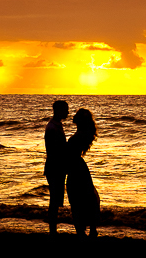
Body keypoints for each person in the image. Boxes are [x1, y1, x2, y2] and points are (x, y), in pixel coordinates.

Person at [66, 107, 100, 237]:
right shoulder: (84, 134)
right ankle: (91, 228)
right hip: (79, 166)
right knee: (86, 197)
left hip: (75, 168)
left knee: (76, 199)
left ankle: (81, 230)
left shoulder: (80, 135)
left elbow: (69, 151)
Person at [43, 99, 69, 234]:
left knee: (56, 199)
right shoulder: (53, 128)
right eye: (66, 110)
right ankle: (52, 230)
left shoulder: (56, 125)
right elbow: (55, 150)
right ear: (59, 110)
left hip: (56, 166)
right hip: (55, 167)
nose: (68, 112)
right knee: (54, 199)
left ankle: (53, 229)